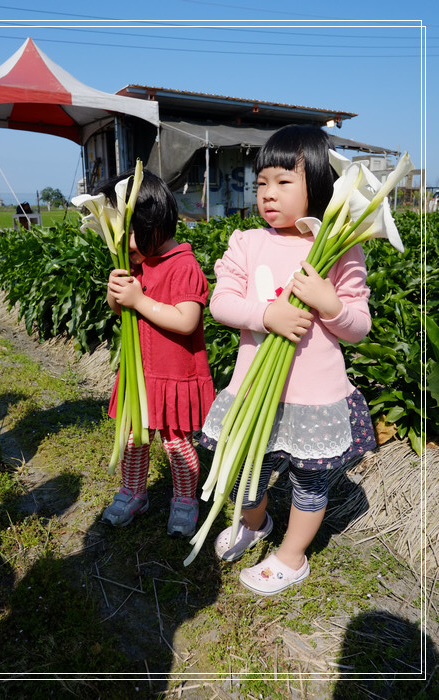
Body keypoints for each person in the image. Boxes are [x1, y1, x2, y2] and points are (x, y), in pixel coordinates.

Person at [200, 125, 377, 596]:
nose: (268, 194)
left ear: (319, 185)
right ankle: (254, 524)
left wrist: (330, 303)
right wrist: (267, 314)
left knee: (310, 482)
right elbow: (221, 302)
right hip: (254, 392)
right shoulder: (247, 242)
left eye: (283, 181)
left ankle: (291, 555)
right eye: (261, 183)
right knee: (246, 468)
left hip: (313, 399)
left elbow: (359, 326)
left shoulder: (341, 248)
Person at [100, 168, 215, 537]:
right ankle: (133, 492)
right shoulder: (135, 264)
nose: (123, 240)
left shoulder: (184, 265)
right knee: (133, 437)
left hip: (174, 376)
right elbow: (122, 312)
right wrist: (116, 296)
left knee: (176, 444)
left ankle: (185, 500)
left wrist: (139, 298)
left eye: (128, 230)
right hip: (140, 375)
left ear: (155, 222)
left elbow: (185, 320)